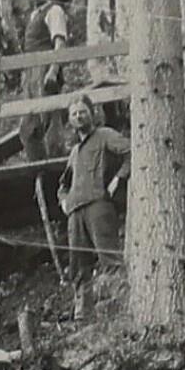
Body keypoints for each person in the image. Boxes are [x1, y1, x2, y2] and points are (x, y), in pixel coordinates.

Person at [62, 95, 127, 271]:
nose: (78, 117)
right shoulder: (75, 151)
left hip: (98, 206)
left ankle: (113, 288)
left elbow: (131, 151)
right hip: (75, 213)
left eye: (82, 112)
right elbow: (63, 184)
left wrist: (118, 178)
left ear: (92, 113)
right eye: (74, 114)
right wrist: (64, 201)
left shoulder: (105, 135)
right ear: (70, 119)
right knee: (79, 269)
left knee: (110, 261)